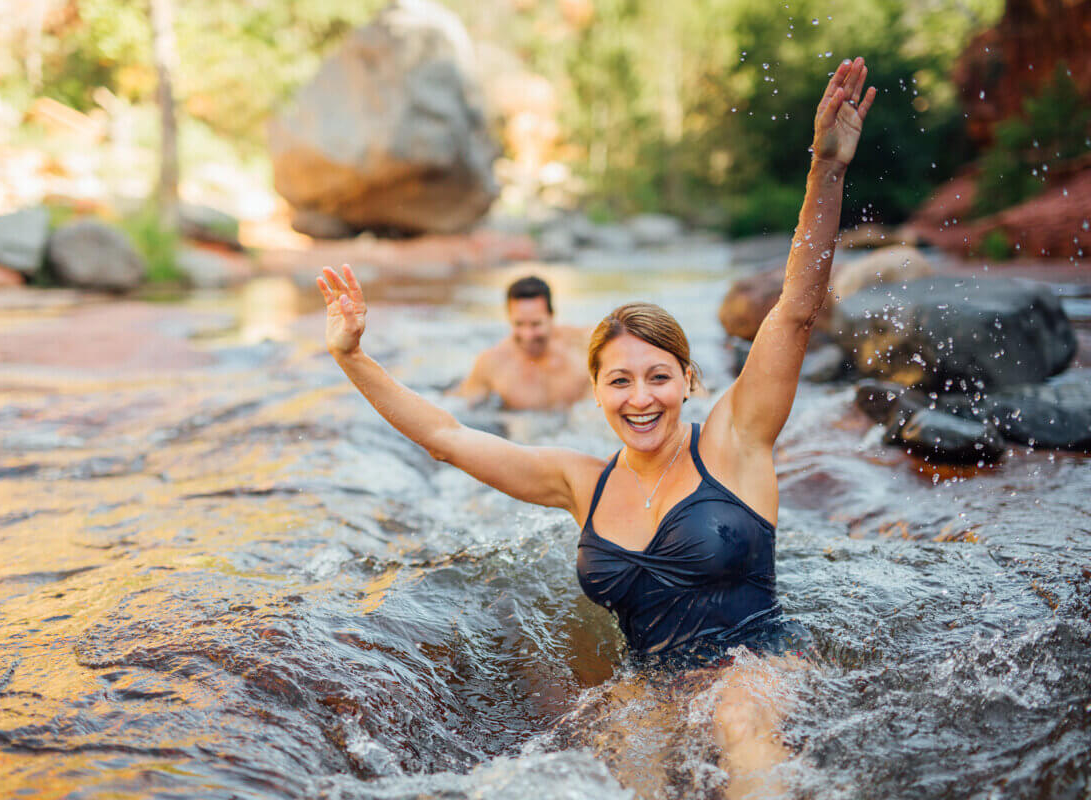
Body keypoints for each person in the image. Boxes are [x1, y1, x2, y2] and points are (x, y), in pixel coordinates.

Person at [317, 58, 876, 800]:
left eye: (657, 377)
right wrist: (353, 357)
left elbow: (796, 311)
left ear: (688, 381)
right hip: (650, 686)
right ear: (597, 392)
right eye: (620, 380)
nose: (640, 398)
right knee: (626, 758)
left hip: (754, 669)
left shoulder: (735, 442)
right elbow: (448, 435)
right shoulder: (579, 482)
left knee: (744, 730)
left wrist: (826, 169)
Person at [452, 275, 590, 410]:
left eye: (536, 324)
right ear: (509, 318)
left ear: (551, 316)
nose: (527, 335)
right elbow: (459, 408)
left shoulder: (582, 346)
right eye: (519, 324)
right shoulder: (491, 363)